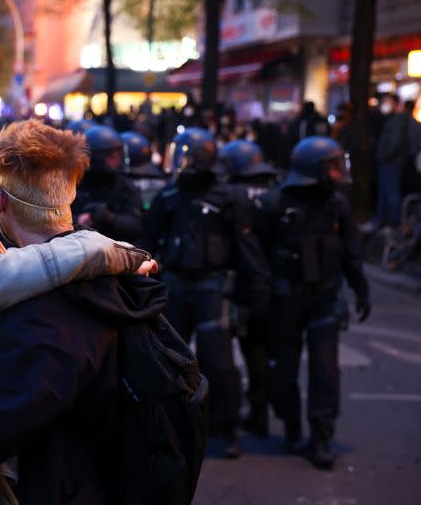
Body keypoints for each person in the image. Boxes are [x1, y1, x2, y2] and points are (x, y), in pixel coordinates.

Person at [0, 120, 204, 504]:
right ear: (69, 194)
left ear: (0, 201)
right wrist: (2, 261)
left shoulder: (46, 318)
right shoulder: (114, 277)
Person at [144, 127, 271, 458]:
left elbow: (246, 248)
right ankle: (171, 428)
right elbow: (148, 244)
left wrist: (257, 290)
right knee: (169, 363)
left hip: (212, 287)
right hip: (175, 285)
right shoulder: (168, 197)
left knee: (219, 362)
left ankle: (225, 428)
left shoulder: (228, 198)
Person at [257, 136, 370, 470]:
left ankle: (320, 438)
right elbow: (257, 255)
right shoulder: (275, 203)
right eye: (333, 166)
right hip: (286, 299)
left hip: (324, 297)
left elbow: (351, 251)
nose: (339, 172)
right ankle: (292, 430)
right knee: (284, 371)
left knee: (325, 371)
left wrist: (360, 288)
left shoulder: (337, 204)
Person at [218, 140, 278, 437]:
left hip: (242, 283)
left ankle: (232, 415)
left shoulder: (231, 196)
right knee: (263, 353)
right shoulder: (276, 192)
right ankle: (261, 414)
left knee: (236, 352)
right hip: (278, 283)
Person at [72, 125, 142, 243]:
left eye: (119, 154)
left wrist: (109, 218)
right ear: (95, 156)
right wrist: (78, 220)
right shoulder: (74, 183)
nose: (117, 160)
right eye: (112, 155)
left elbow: (137, 225)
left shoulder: (125, 186)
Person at [373, 93, 409, 227]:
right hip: (388, 161)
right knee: (385, 192)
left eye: (387, 102)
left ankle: (394, 223)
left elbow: (395, 142)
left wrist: (384, 156)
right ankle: (382, 221)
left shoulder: (397, 120)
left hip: (391, 162)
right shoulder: (392, 119)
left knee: (391, 193)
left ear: (395, 103)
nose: (384, 105)